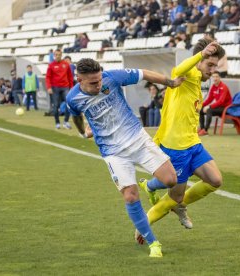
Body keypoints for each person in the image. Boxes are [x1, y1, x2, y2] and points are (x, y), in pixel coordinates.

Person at [65, 58, 185, 257]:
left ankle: (150, 186)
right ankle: (153, 242)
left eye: (99, 80)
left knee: (171, 180)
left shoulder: (112, 77)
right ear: (79, 80)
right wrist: (83, 131)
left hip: (138, 139)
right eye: (93, 83)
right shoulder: (73, 98)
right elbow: (76, 115)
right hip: (113, 152)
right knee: (130, 195)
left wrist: (170, 83)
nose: (99, 84)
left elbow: (143, 73)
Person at [137, 38, 225, 232]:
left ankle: (158, 191)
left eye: (215, 66)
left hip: (192, 143)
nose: (212, 70)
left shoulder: (198, 83)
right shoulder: (189, 76)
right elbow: (179, 70)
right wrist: (200, 55)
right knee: (175, 195)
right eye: (209, 65)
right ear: (199, 61)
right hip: (176, 147)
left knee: (215, 180)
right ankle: (143, 225)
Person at [45, 49, 74, 129]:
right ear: (54, 55)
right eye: (56, 54)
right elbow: (48, 77)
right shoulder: (51, 65)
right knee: (56, 105)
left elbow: (70, 77)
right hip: (55, 88)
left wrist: (71, 87)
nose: (58, 56)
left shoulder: (66, 64)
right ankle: (57, 122)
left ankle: (66, 121)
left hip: (65, 87)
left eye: (59, 54)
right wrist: (49, 87)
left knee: (69, 104)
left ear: (61, 55)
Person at [198, 71, 232, 136]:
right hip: (218, 107)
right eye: (213, 77)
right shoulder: (213, 86)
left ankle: (205, 130)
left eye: (217, 77)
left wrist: (209, 106)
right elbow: (209, 99)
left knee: (209, 110)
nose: (215, 78)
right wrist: (201, 105)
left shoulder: (223, 87)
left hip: (225, 108)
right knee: (201, 110)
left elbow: (221, 101)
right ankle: (202, 129)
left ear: (220, 78)